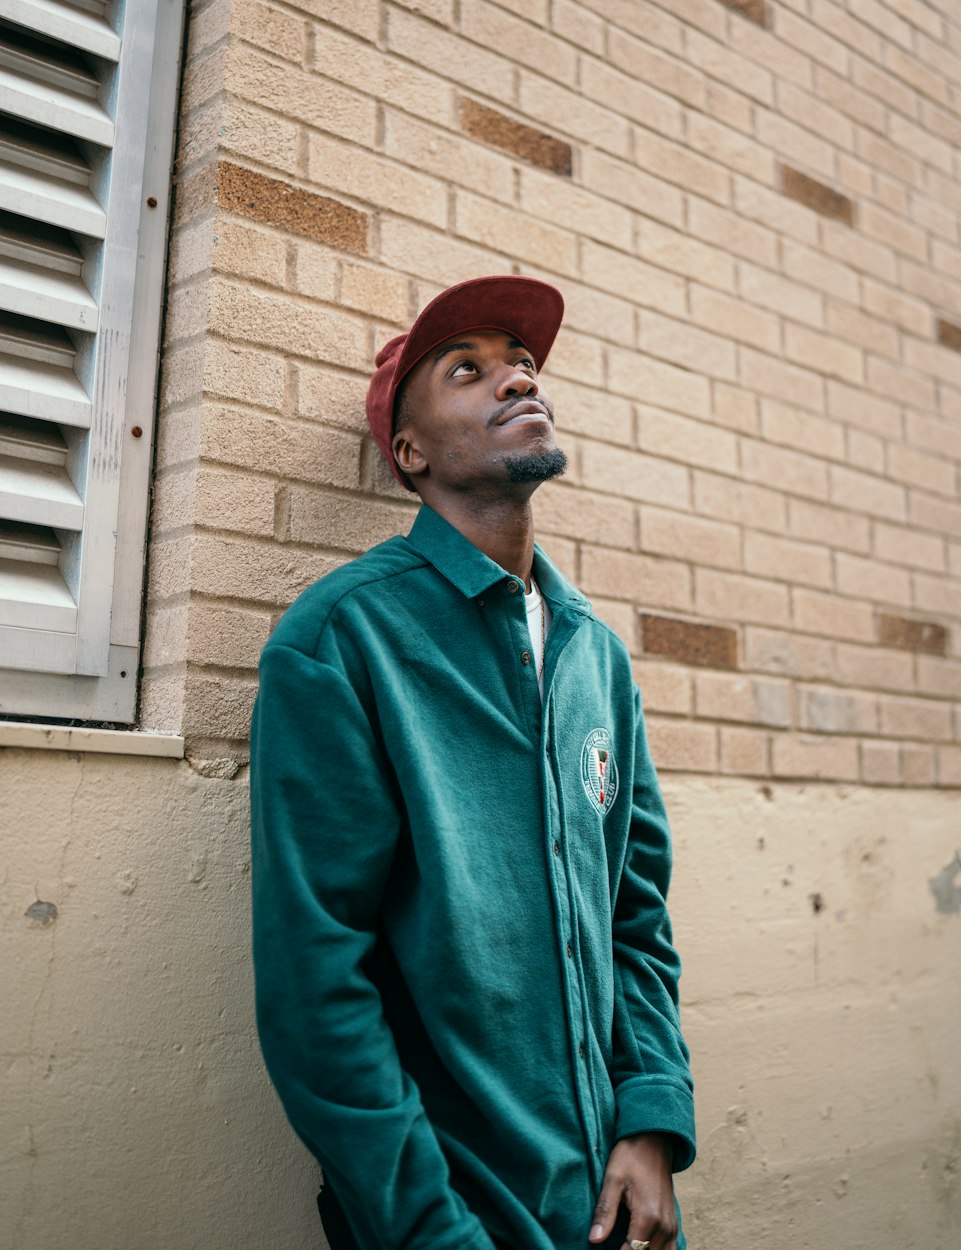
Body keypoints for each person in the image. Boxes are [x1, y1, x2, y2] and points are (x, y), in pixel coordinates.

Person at [250, 275, 695, 1250]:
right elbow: (316, 983)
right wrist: (424, 1224)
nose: (514, 381)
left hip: (620, 1201)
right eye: (468, 370)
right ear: (408, 452)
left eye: (523, 364)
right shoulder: (342, 639)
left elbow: (636, 913)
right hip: (455, 1208)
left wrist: (652, 1118)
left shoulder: (597, 655)